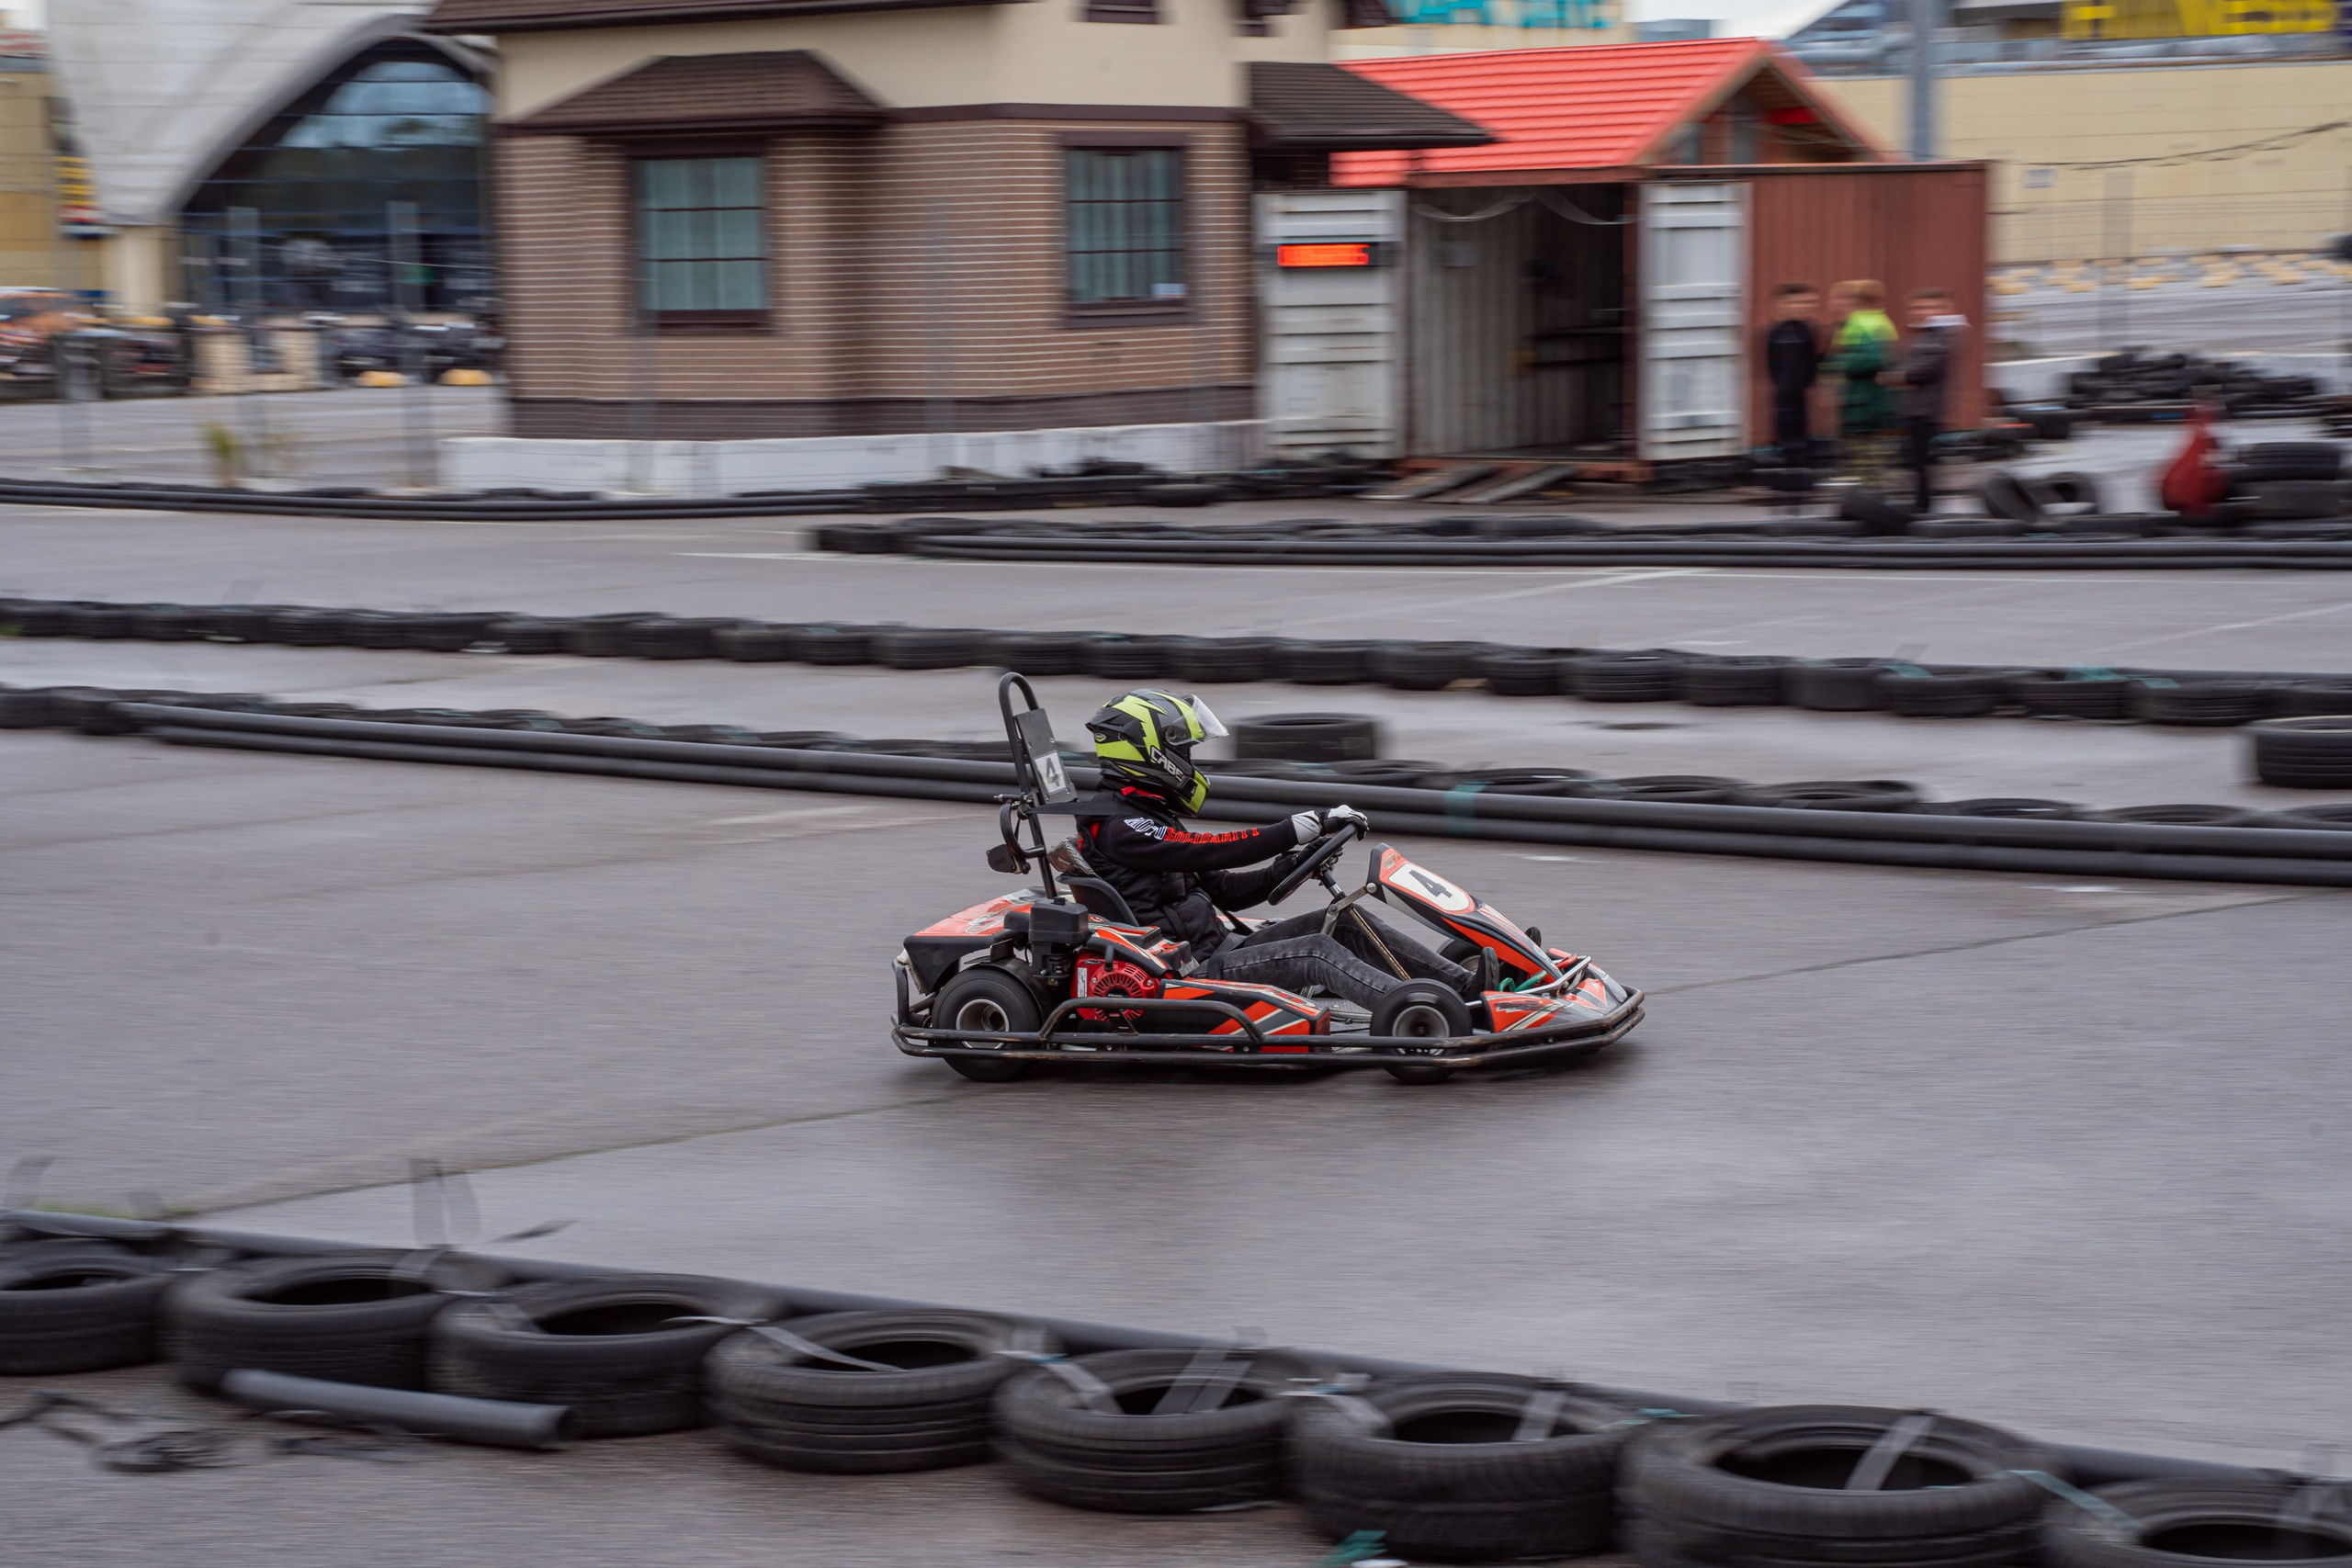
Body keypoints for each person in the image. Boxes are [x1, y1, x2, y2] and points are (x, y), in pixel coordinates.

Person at [1071, 688, 1478, 1010]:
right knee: (1317, 952)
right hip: (1189, 974)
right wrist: (1299, 828)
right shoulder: (1120, 828)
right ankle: (1422, 1009)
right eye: (1184, 751)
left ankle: (1467, 987)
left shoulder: (1149, 815)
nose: (1190, 761)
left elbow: (1226, 891)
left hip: (1220, 949)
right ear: (1150, 753)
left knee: (1343, 922)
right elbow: (1209, 850)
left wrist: (1286, 868)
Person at [1888, 288, 1966, 514]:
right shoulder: (1923, 336)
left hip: (1928, 409)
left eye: (1928, 307)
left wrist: (1899, 377)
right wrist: (1901, 375)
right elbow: (1907, 368)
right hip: (1915, 407)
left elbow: (1920, 370)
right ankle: (1922, 504)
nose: (1921, 312)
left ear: (1943, 310)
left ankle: (1924, 508)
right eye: (1917, 308)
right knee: (1915, 459)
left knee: (1922, 460)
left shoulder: (1940, 337)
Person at [1825, 279, 1900, 489]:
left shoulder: (1862, 324)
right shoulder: (1869, 323)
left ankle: (1868, 506)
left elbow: (1872, 359)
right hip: (1861, 405)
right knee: (1861, 465)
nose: (1832, 304)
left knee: (1865, 466)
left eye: (1839, 299)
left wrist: (1836, 362)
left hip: (1865, 405)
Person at [1763, 282, 1822, 469]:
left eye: (1801, 303)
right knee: (1786, 441)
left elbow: (1811, 363)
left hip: (1799, 397)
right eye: (1792, 303)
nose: (1797, 307)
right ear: (1782, 304)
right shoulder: (1775, 333)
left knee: (1800, 442)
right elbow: (1771, 365)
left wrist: (1805, 383)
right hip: (1783, 397)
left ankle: (1798, 475)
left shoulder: (1807, 331)